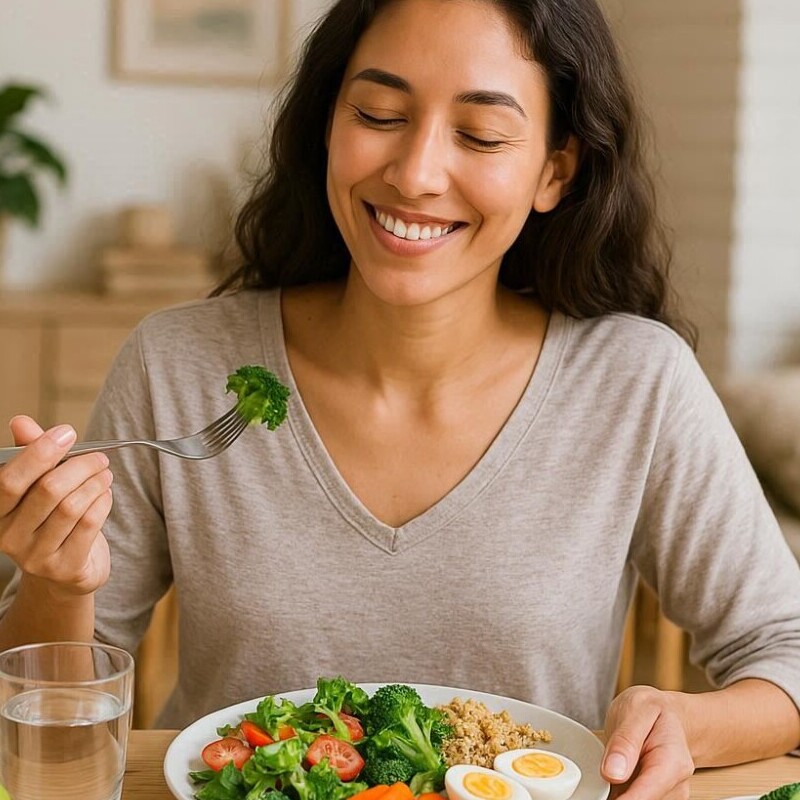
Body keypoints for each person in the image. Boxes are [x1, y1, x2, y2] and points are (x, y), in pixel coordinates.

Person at [1, 0, 799, 797]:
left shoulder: (635, 382)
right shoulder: (179, 365)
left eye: (480, 135)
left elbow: (788, 648)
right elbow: (38, 709)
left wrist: (684, 723)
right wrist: (58, 583)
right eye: (379, 114)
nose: (416, 174)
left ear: (555, 171)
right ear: (327, 124)